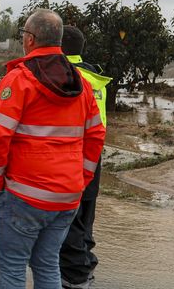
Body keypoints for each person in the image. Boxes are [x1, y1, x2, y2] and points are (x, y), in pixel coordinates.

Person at [0, 9, 105, 289]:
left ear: (30, 39)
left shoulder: (19, 79)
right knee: (48, 263)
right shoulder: (82, 84)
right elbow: (96, 135)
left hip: (24, 194)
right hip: (68, 196)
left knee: (12, 266)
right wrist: (82, 179)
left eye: (23, 34)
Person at [58, 25, 112, 289]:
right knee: (86, 215)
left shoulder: (66, 76)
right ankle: (85, 265)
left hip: (74, 155)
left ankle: (75, 276)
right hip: (95, 154)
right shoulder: (94, 75)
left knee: (70, 218)